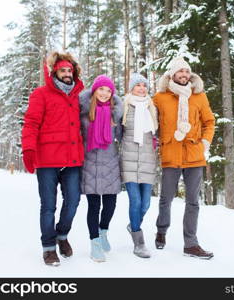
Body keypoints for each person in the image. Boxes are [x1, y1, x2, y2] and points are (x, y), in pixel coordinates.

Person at [21, 52, 84, 266]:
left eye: (70, 70)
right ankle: (49, 247)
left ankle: (62, 234)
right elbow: (31, 123)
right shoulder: (41, 94)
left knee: (73, 201)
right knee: (48, 205)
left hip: (73, 159)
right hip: (47, 160)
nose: (67, 74)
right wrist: (28, 150)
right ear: (55, 72)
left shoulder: (79, 96)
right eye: (63, 70)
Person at [153, 56, 215, 259]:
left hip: (194, 154)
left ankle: (191, 243)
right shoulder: (161, 97)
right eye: (180, 71)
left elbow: (209, 122)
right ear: (172, 74)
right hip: (171, 153)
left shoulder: (199, 96)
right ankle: (161, 231)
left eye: (187, 71)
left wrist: (205, 143)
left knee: (193, 201)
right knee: (166, 198)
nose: (184, 75)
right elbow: (152, 122)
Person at [79, 75, 123, 262]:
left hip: (111, 163)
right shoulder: (84, 114)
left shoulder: (116, 115)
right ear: (94, 91)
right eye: (101, 90)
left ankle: (103, 231)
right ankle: (94, 243)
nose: (104, 94)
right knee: (94, 206)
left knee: (111, 205)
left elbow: (122, 137)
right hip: (90, 164)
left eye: (108, 91)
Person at [121, 73, 158, 258]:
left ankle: (132, 225)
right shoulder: (124, 105)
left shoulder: (152, 107)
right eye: (138, 85)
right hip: (128, 160)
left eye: (144, 85)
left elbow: (155, 133)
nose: (142, 88)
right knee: (135, 201)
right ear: (131, 88)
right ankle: (139, 242)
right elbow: (116, 131)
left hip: (147, 160)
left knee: (146, 204)